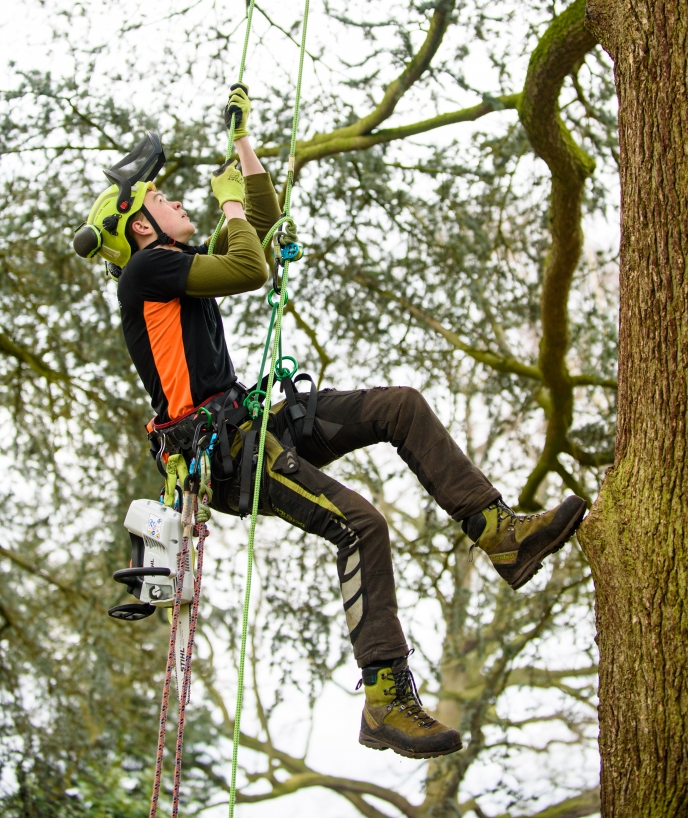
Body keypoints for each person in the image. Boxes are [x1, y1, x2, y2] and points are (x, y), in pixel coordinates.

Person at [74, 85, 587, 761]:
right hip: (228, 457)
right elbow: (250, 265)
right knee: (361, 523)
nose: (178, 204)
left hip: (254, 421)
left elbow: (263, 222)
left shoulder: (169, 266)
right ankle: (385, 701)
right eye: (165, 201)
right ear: (142, 227)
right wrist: (230, 197)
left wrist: (244, 152)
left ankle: (499, 534)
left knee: (397, 405)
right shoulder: (145, 272)